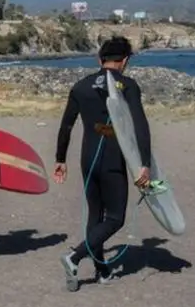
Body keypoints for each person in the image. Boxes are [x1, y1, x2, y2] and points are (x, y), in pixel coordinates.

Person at [54, 36, 152, 292]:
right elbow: (139, 124)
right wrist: (145, 163)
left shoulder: (81, 86)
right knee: (116, 218)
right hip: (113, 159)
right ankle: (74, 257)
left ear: (100, 59)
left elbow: (66, 125)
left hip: (88, 158)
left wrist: (60, 159)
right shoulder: (128, 85)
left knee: (95, 215)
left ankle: (101, 269)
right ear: (126, 61)